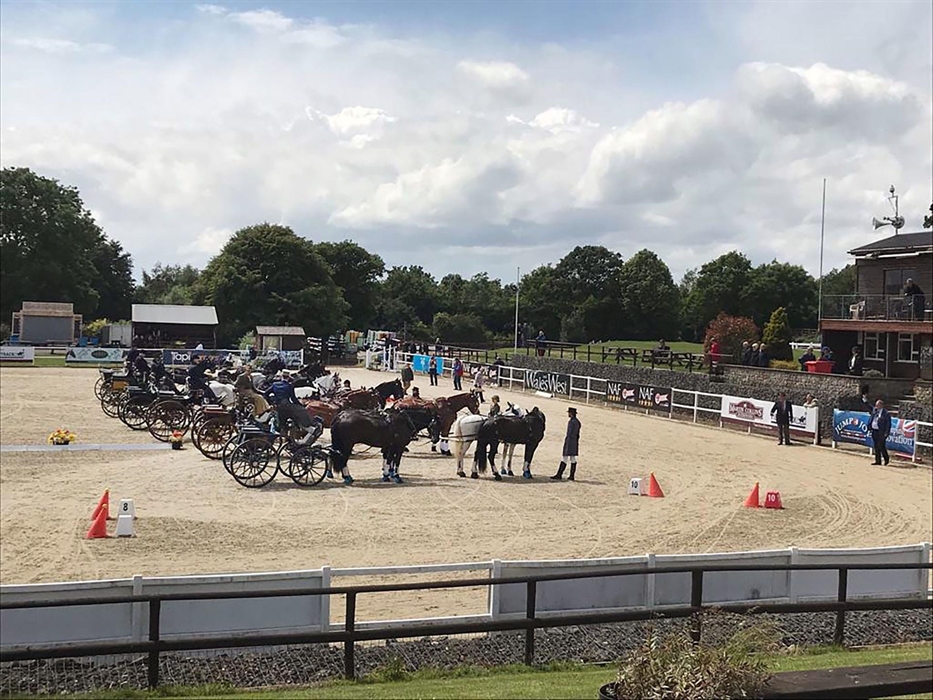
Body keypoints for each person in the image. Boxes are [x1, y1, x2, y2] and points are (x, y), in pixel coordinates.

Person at [265, 377, 324, 446]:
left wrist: (271, 402)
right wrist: (300, 406)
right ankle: (305, 434)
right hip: (287, 407)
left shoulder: (275, 385)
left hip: (279, 407)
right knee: (296, 414)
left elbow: (266, 394)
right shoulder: (289, 386)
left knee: (284, 422)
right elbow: (293, 399)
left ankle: (285, 431)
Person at [551, 407, 581, 481]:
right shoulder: (577, 422)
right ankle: (571, 475)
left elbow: (569, 433)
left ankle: (559, 474)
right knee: (573, 458)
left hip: (570, 441)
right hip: (575, 441)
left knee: (564, 457)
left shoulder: (571, 422)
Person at [869, 399, 891, 466]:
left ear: (881, 405)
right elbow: (868, 406)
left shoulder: (886, 413)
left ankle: (886, 459)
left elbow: (888, 424)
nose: (876, 406)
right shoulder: (875, 411)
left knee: (881, 446)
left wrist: (886, 432)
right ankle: (878, 461)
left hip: (881, 432)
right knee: (876, 446)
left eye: (877, 405)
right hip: (874, 431)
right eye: (876, 405)